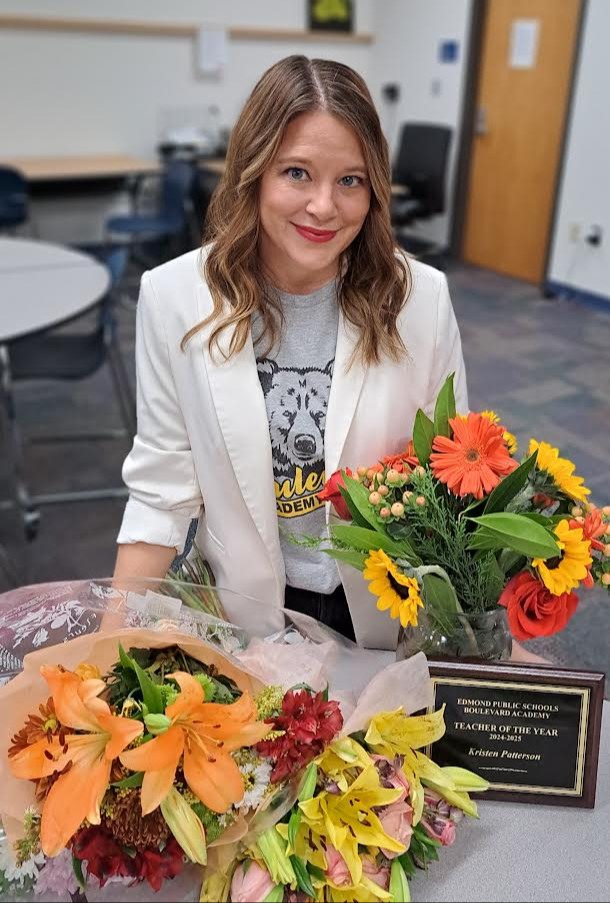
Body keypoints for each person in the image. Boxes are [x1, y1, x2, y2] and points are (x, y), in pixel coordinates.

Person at [114, 54, 534, 656]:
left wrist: (496, 649)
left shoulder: (421, 300)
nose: (323, 208)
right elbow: (159, 494)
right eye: (296, 173)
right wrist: (107, 651)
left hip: (385, 610)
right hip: (248, 613)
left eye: (350, 180)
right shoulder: (175, 298)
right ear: (253, 171)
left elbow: (454, 477)